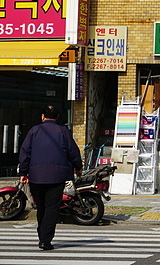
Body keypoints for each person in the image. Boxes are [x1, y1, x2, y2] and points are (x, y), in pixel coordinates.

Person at [18, 104, 82, 251]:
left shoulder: (34, 131)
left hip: (36, 176)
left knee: (41, 207)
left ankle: (42, 236)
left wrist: (23, 172)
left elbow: (25, 152)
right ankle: (45, 240)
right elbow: (73, 151)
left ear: (42, 116)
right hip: (57, 176)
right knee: (52, 208)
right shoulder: (63, 131)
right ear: (57, 117)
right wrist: (78, 167)